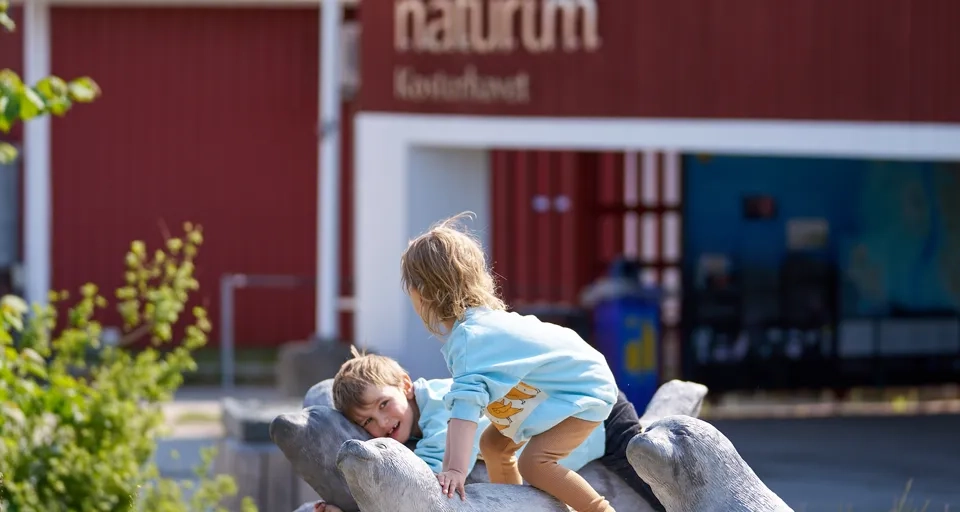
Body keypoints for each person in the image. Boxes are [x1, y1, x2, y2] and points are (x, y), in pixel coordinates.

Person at [398, 212, 622, 512]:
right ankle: (519, 507)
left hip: (582, 390)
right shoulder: (477, 327)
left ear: (422, 292)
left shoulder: (470, 337)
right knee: (493, 445)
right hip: (564, 382)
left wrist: (453, 470)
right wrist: (452, 465)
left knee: (536, 463)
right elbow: (461, 409)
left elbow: (465, 411)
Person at [312, 349, 664, 512]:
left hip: (596, 415)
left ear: (405, 385)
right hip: (569, 428)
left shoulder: (442, 406)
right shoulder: (415, 425)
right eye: (367, 423)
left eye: (384, 405)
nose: (381, 424)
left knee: (655, 482)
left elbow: (417, 482)